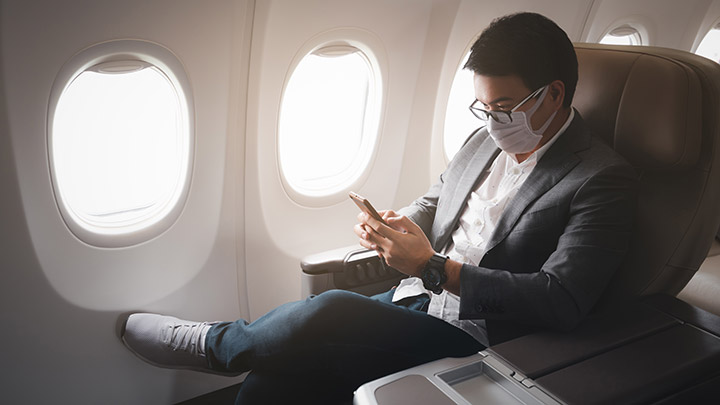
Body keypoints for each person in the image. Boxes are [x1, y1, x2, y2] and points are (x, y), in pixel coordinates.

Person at [121, 12, 638, 403]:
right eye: (483, 107)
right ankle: (235, 353)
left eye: (504, 108)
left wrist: (435, 267)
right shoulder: (484, 139)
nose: (491, 121)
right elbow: (439, 200)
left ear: (552, 95)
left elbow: (560, 299)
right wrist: (398, 227)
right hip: (412, 303)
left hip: (481, 339)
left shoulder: (601, 179)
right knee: (276, 374)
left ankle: (215, 346)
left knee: (329, 310)